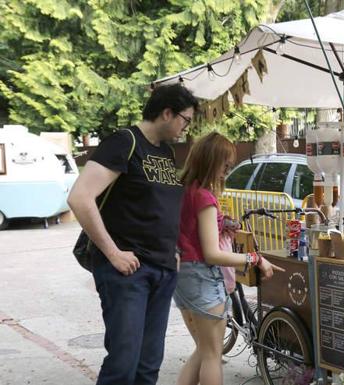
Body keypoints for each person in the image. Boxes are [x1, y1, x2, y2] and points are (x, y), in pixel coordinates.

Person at [67, 83, 198, 385]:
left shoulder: (164, 152)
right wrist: (113, 253)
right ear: (167, 113)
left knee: (148, 365)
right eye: (186, 120)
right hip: (129, 272)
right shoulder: (124, 142)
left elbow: (160, 207)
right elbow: (80, 197)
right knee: (123, 365)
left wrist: (174, 250)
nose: (186, 128)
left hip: (163, 269)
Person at [174, 132, 284, 385]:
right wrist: (254, 258)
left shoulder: (185, 191)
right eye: (224, 165)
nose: (226, 171)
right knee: (212, 354)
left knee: (202, 351)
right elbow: (212, 253)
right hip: (202, 276)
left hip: (183, 277)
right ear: (211, 161)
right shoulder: (204, 197)